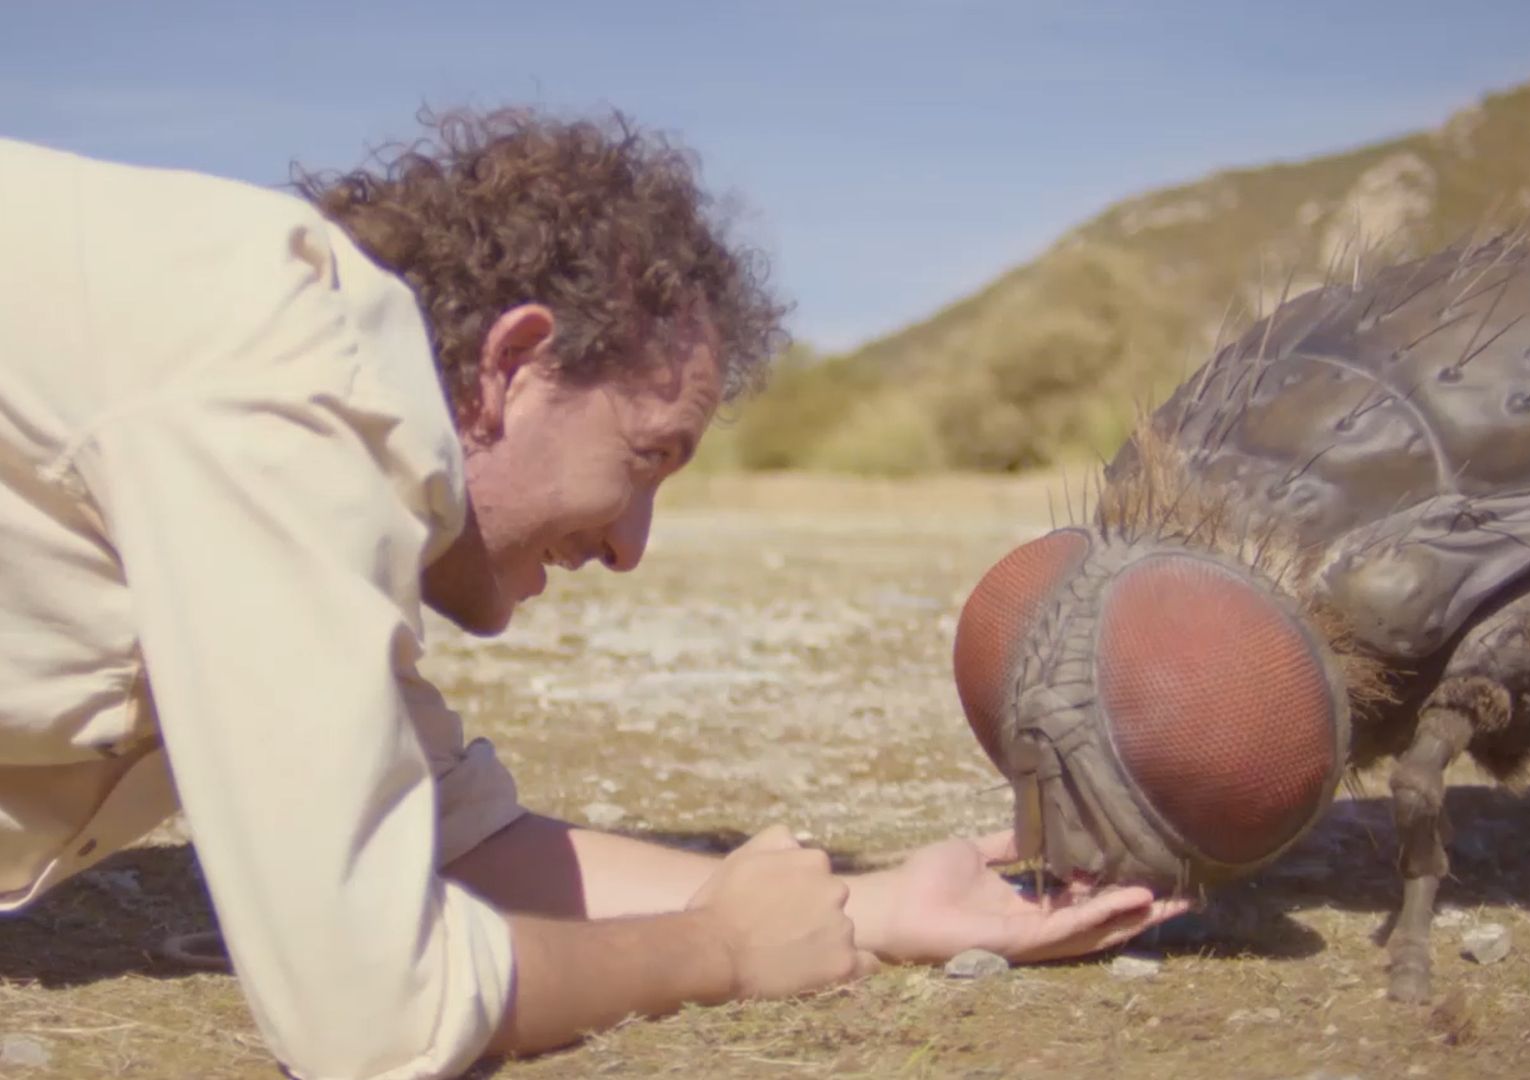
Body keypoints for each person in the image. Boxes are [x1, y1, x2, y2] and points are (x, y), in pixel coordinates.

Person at [0, 107, 1185, 1080]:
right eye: (647, 458)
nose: (631, 546)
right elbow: (371, 1018)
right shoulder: (284, 386)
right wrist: (717, 950)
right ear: (512, 368)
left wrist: (862, 907)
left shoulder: (271, 424)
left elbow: (462, 836)